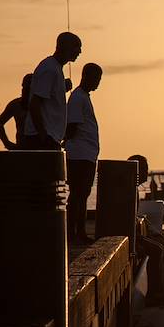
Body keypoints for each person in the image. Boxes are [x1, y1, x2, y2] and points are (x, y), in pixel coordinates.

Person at [23, 32, 82, 150]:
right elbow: (35, 104)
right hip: (41, 139)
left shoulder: (55, 68)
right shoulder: (50, 68)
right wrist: (43, 135)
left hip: (49, 138)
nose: (79, 52)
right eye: (77, 47)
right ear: (66, 47)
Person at [65, 63, 103, 244]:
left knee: (83, 193)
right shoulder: (78, 98)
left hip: (86, 153)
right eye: (96, 79)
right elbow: (72, 125)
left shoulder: (83, 97)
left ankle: (78, 231)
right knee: (78, 193)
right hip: (79, 154)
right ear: (87, 76)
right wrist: (66, 141)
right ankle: (74, 232)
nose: (98, 83)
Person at [128, 155, 164, 306]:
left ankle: (158, 290)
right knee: (156, 250)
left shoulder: (133, 189)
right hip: (129, 238)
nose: (147, 173)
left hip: (134, 235)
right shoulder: (130, 189)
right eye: (145, 169)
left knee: (158, 247)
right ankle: (156, 292)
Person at [0, 73, 32, 150]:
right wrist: (7, 143)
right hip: (21, 147)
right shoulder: (15, 105)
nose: (26, 90)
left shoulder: (43, 105)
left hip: (39, 147)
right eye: (24, 87)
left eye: (29, 88)